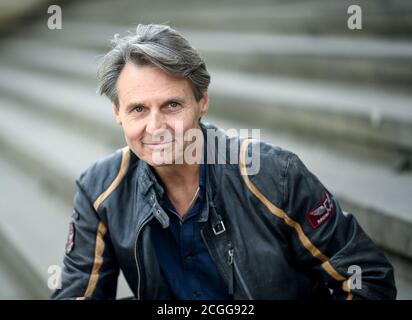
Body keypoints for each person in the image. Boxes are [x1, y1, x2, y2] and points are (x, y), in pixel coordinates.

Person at [51, 24, 396, 300]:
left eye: (172, 105)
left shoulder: (272, 175)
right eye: (138, 109)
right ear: (118, 114)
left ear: (202, 102)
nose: (155, 128)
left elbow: (367, 277)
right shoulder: (99, 190)